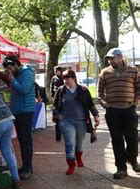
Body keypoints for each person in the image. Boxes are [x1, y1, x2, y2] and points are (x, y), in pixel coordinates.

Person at [98, 48, 140, 179]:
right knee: (117, 140)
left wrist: (136, 102)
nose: (110, 60)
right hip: (113, 111)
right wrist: (104, 103)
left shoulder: (133, 70)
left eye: (112, 58)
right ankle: (121, 168)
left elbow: (139, 88)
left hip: (129, 110)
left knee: (132, 138)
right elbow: (99, 93)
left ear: (120, 57)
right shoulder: (105, 73)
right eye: (108, 59)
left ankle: (132, 159)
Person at [0, 55, 35, 179]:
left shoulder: (27, 72)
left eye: (10, 68)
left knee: (26, 140)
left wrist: (12, 80)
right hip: (18, 111)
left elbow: (24, 90)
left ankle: (27, 167)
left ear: (16, 64)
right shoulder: (18, 74)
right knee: (22, 140)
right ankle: (27, 166)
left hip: (25, 110)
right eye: (7, 69)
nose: (9, 71)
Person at [53, 70, 100, 175]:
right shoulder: (61, 90)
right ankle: (71, 164)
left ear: (73, 78)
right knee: (70, 143)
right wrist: (57, 115)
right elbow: (55, 106)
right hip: (66, 122)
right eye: (64, 79)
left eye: (67, 78)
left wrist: (96, 115)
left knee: (79, 144)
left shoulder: (83, 90)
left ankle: (78, 157)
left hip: (81, 121)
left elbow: (91, 105)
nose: (65, 81)